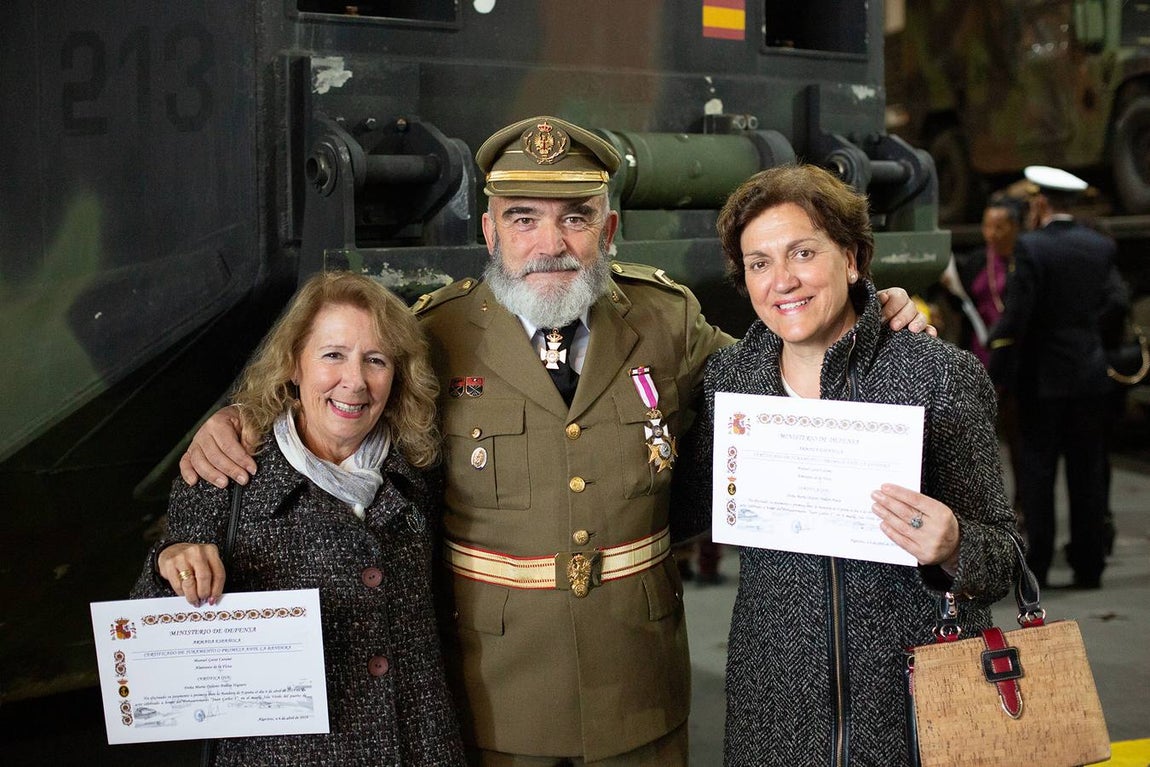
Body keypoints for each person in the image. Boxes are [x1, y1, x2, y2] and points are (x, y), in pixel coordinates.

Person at [178, 116, 930, 765]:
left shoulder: (665, 319)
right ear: (489, 229)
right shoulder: (436, 333)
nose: (550, 241)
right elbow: (346, 400)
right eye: (523, 216)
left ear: (606, 230)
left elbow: (781, 370)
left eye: (574, 216)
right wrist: (240, 418)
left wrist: (871, 315)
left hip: (635, 675)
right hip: (495, 688)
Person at [672, 164, 1017, 766]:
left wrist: (957, 545)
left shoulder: (935, 377)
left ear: (853, 259)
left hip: (912, 714)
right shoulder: (731, 383)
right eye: (759, 263)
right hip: (775, 716)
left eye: (803, 253)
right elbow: (682, 510)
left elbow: (1007, 554)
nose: (782, 281)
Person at [132, 272, 465, 765]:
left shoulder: (422, 470)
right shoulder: (225, 471)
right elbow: (149, 635)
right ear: (293, 363)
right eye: (333, 355)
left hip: (418, 749)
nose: (354, 381)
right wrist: (173, 563)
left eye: (375, 360)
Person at [988, 165, 1123, 590]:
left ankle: (1039, 566)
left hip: (1041, 381)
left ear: (1041, 203)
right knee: (1087, 473)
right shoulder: (1100, 246)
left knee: (1037, 475)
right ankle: (1089, 564)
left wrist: (998, 366)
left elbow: (1019, 315)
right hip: (1088, 375)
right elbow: (1115, 302)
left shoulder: (1031, 247)